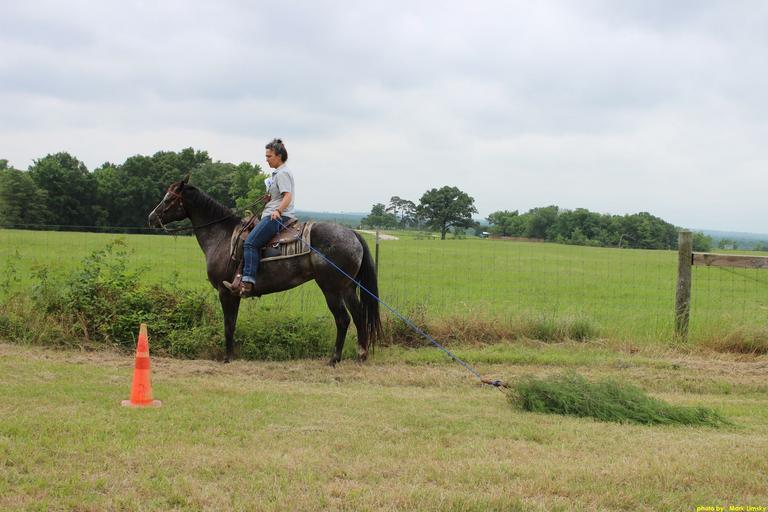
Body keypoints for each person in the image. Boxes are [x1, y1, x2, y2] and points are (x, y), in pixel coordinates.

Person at [224, 138, 295, 297]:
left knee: (250, 243)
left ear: (279, 156)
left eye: (269, 156)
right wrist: (270, 198)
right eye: (266, 156)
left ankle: (247, 283)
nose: (266, 159)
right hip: (272, 212)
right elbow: (280, 195)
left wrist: (278, 211)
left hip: (276, 216)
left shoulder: (283, 173)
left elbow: (288, 196)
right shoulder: (278, 173)